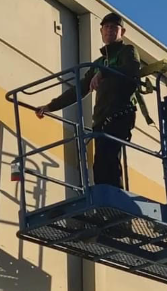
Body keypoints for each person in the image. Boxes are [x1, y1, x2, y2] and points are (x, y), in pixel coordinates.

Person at [35, 12, 140, 188]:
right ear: (101, 31)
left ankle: (115, 202)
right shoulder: (98, 62)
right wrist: (50, 106)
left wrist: (104, 72)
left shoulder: (127, 52)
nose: (109, 31)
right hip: (101, 119)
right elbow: (79, 89)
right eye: (106, 27)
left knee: (110, 161)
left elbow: (131, 71)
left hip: (120, 114)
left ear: (123, 31)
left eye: (114, 27)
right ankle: (105, 206)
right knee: (99, 166)